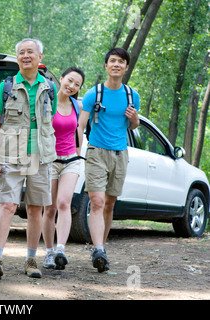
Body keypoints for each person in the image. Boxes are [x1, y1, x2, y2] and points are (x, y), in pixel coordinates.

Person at [0, 38, 58, 279]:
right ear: (17, 58)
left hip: (41, 156)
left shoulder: (49, 88)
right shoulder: (6, 86)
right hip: (11, 155)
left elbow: (50, 119)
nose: (25, 56)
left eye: (30, 52)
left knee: (35, 209)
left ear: (40, 57)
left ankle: (31, 260)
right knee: (7, 205)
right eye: (21, 52)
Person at [77, 48, 140, 272]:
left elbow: (133, 126)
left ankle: (99, 248)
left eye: (121, 62)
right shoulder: (94, 93)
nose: (116, 64)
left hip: (120, 154)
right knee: (97, 202)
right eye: (112, 61)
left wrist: (135, 120)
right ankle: (99, 249)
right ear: (106, 66)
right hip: (96, 152)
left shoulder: (132, 95)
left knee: (110, 204)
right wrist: (77, 149)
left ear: (126, 67)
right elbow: (81, 124)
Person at [41, 67, 85, 271]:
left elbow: (78, 130)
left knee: (64, 202)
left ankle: (60, 250)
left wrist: (77, 151)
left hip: (71, 160)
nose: (72, 86)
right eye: (70, 81)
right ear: (61, 79)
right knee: (49, 208)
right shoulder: (48, 102)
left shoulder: (78, 105)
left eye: (77, 84)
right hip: (50, 160)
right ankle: (48, 252)